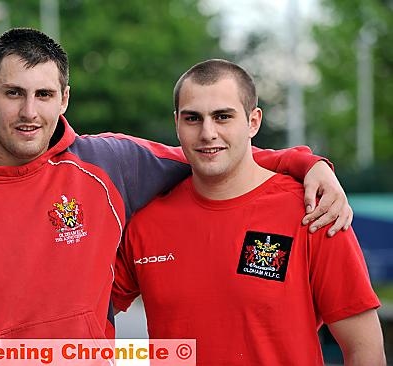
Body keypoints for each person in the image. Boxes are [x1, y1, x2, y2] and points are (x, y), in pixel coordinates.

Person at [0, 28, 351, 340]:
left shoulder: (109, 164)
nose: (30, 112)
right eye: (13, 93)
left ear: (65, 99)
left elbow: (213, 152)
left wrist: (305, 163)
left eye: (44, 94)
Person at [111, 59, 385, 365]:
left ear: (253, 121)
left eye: (223, 116)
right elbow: (83, 315)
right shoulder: (146, 223)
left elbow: (364, 349)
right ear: (177, 122)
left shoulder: (313, 212)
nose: (207, 132)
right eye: (193, 118)